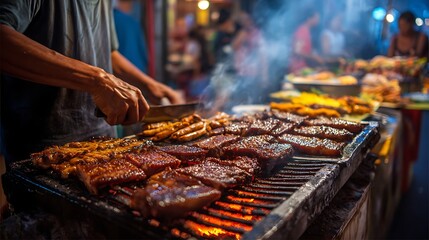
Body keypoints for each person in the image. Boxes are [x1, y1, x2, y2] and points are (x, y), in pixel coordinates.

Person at [0, 1, 184, 165]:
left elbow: (106, 52)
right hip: (44, 149)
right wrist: (97, 80)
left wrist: (149, 85)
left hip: (104, 141)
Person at [289, 7, 323, 73]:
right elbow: (297, 51)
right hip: (297, 69)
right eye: (316, 17)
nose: (318, 20)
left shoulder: (307, 30)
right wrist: (313, 57)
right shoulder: (302, 30)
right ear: (309, 18)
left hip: (303, 68)